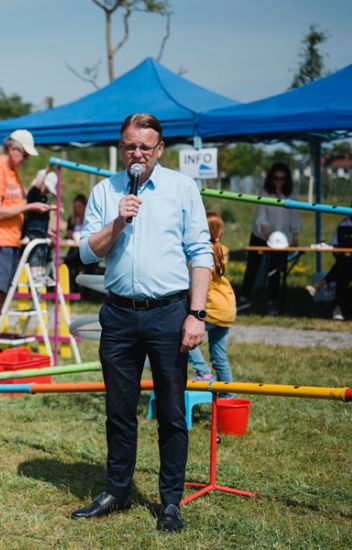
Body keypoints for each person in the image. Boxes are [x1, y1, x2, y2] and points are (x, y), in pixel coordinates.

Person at [75, 113, 213, 533]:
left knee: (172, 411)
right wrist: (118, 222)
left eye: (145, 147)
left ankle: (170, 501)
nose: (137, 153)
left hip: (170, 313)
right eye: (130, 146)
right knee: (119, 409)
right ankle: (117, 490)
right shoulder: (106, 190)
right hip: (118, 314)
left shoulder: (182, 188)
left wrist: (197, 313)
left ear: (159, 149)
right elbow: (85, 253)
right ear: (122, 147)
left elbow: (201, 252)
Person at [0, 129, 49, 351]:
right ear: (13, 149)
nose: (25, 160)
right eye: (24, 155)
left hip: (10, 242)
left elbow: (14, 206)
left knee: (1, 296)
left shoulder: (12, 172)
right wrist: (29, 206)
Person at [238, 162, 301, 315]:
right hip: (260, 235)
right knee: (252, 266)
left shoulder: (291, 194)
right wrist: (265, 230)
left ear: (287, 180)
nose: (279, 181)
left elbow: (295, 216)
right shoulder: (265, 192)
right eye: (276, 178)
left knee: (275, 270)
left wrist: (295, 236)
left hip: (282, 239)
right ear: (271, 179)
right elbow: (261, 215)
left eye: (283, 179)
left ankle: (272, 301)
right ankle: (244, 297)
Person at [187, 212, 236, 397]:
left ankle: (203, 372)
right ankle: (228, 396)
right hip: (227, 306)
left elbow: (193, 281)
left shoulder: (202, 252)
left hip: (213, 308)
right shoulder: (220, 249)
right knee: (219, 356)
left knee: (183, 335)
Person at [305, 209, 352, 320]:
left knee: (343, 268)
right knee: (345, 268)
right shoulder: (345, 224)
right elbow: (335, 245)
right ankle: (337, 308)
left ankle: (319, 286)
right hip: (346, 258)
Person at [22, 169, 57, 281]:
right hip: (32, 231)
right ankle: (34, 274)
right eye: (46, 188)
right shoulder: (34, 194)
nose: (47, 192)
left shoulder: (44, 198)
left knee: (43, 251)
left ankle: (39, 273)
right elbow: (37, 186)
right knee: (36, 252)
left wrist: (48, 231)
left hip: (41, 232)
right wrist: (48, 169)